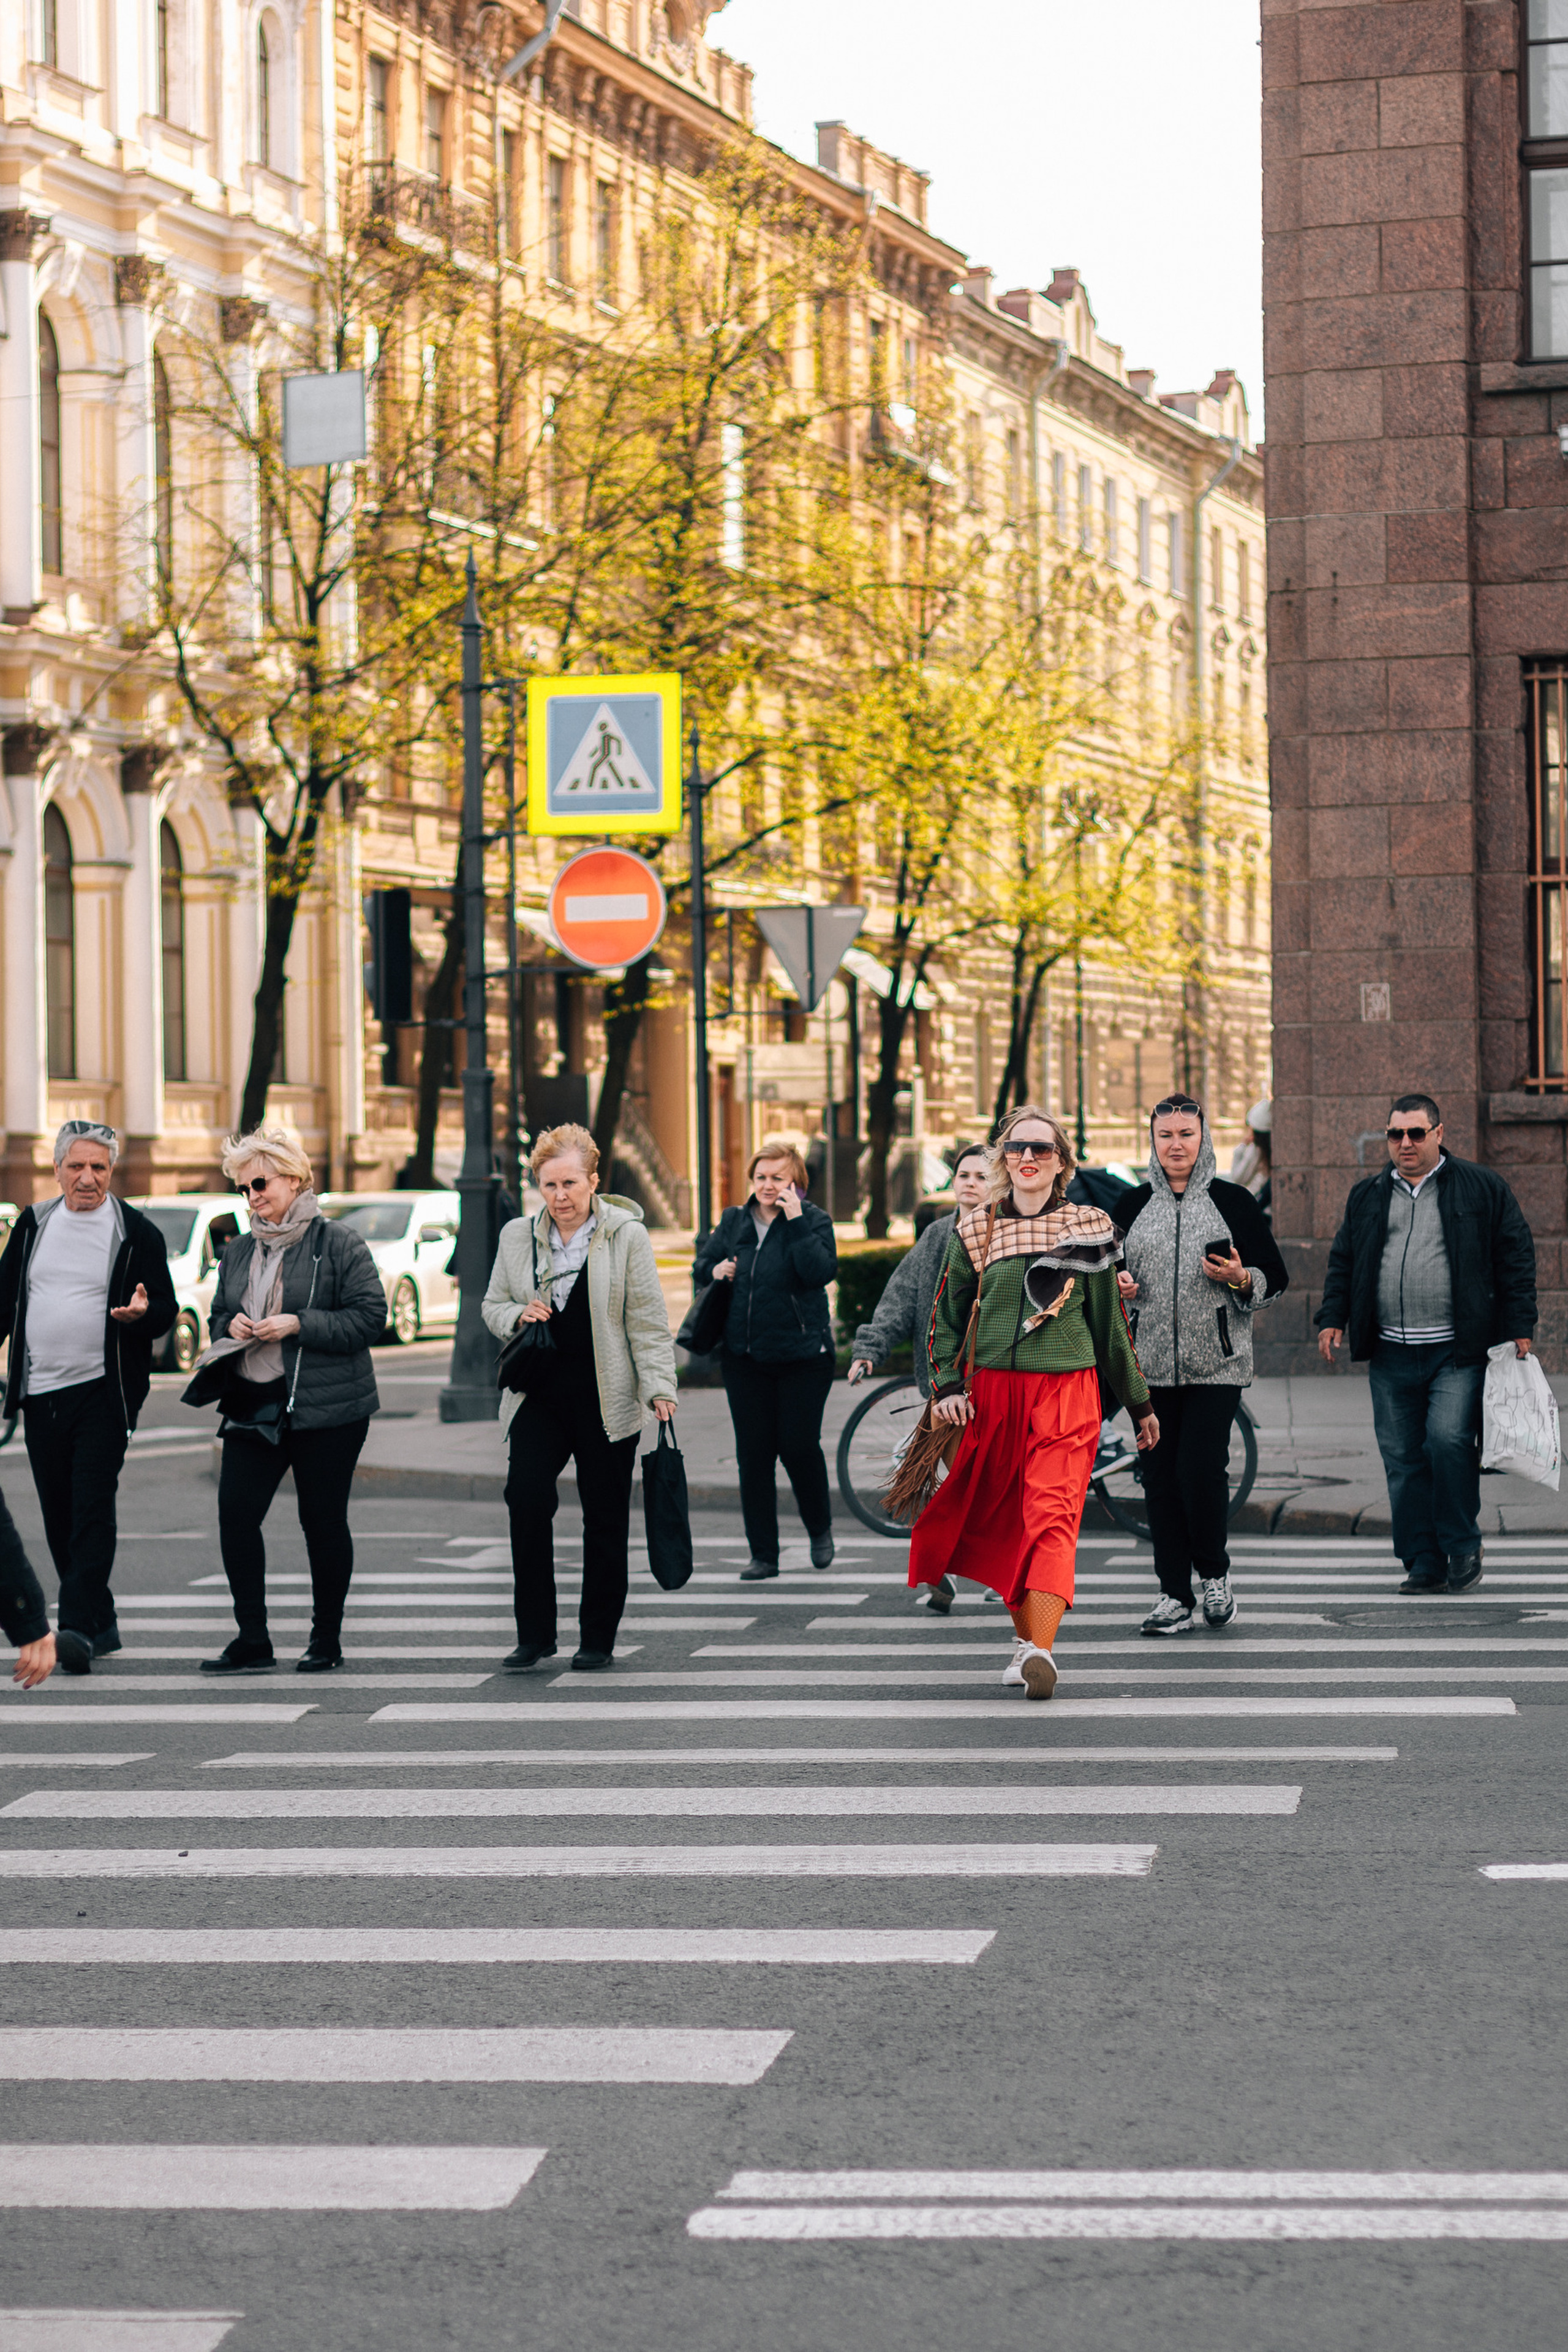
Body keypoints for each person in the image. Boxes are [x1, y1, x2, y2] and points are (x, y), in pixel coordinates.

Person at [911, 1104, 1158, 1698]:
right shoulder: (975, 1230)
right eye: (1016, 1148)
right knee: (1008, 1522)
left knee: (1051, 1516)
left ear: (1061, 1163)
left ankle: (1041, 1648)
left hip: (1067, 1394)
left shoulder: (1090, 1226)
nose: (1027, 1158)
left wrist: (1140, 1403)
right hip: (992, 1397)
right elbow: (945, 1318)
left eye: (1040, 1150)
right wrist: (945, 1387)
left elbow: (1110, 1327)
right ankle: (1026, 1643)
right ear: (1002, 1159)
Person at [1316, 1093, 1537, 1596]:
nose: (1406, 1143)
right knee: (1402, 1457)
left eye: (1417, 1133)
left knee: (1448, 1442)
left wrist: (1520, 1323)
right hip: (1391, 1351)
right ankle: (1423, 1559)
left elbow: (1515, 1255)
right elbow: (1344, 1261)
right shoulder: (1369, 1194)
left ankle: (1461, 1544)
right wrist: (1333, 1318)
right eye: (1396, 1134)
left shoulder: (1481, 1188)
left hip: (1457, 1351)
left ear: (1439, 1133)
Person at [183, 1125, 385, 1673]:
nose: (252, 1196)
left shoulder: (337, 1243)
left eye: (260, 1183)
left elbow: (371, 1318)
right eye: (244, 1189)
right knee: (235, 1515)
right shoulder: (240, 1250)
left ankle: (326, 1639)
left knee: (321, 1521)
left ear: (293, 1179)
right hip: (254, 1400)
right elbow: (218, 1315)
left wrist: (299, 1323)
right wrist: (234, 1324)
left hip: (327, 1406)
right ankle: (253, 1638)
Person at [482, 1123, 677, 1672]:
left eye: (570, 1183)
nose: (560, 1197)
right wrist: (517, 1313)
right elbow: (492, 1304)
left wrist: (660, 1386)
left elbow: (647, 1320)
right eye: (548, 1185)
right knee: (525, 1500)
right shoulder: (518, 1237)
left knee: (606, 1515)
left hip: (606, 1398)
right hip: (538, 1395)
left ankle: (597, 1638)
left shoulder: (626, 1236)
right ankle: (535, 1634)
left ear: (594, 1181)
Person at [0, 1119, 177, 1675]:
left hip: (105, 1396)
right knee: (58, 1512)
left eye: (98, 1167)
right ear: (56, 1170)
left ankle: (76, 1627)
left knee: (91, 1508)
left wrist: (145, 1316)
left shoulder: (136, 1232)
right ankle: (102, 1621)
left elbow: (166, 1311)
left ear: (111, 1172)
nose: (87, 1178)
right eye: (76, 1166)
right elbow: (4, 1303)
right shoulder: (32, 1226)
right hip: (41, 1394)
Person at [1117, 1096, 1289, 1635]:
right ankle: (1173, 1595)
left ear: (1203, 1137)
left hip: (1218, 1364)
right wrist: (1116, 1285)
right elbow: (1100, 1277)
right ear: (1152, 1139)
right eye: (1165, 1134)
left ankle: (1215, 1576)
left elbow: (1275, 1277)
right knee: (1159, 1479)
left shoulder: (1233, 1201)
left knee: (1199, 1470)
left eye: (1186, 1134)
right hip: (1147, 1367)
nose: (1175, 1144)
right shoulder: (1129, 1205)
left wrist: (1241, 1279)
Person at [850, 1140, 991, 1614]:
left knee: (988, 1482)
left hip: (996, 1383)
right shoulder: (937, 1236)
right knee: (939, 1478)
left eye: (981, 1176)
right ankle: (942, 1568)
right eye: (964, 1175)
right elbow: (901, 1297)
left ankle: (1003, 1567)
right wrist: (870, 1350)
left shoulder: (1012, 1233)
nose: (971, 1184)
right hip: (944, 1384)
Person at [692, 1140, 839, 1582]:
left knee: (797, 1447)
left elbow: (818, 1272)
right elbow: (703, 1263)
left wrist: (795, 1221)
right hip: (745, 1356)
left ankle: (819, 1529)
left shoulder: (813, 1220)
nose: (768, 1186)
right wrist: (715, 1270)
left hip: (803, 1356)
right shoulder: (735, 1220)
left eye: (778, 1178)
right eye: (761, 1178)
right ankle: (764, 1555)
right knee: (753, 1456)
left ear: (795, 1182)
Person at [1229, 1098, 1273, 1204]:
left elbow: (1238, 1177)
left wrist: (1241, 1148)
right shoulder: (1273, 1148)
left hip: (1255, 1205)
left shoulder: (1256, 1150)